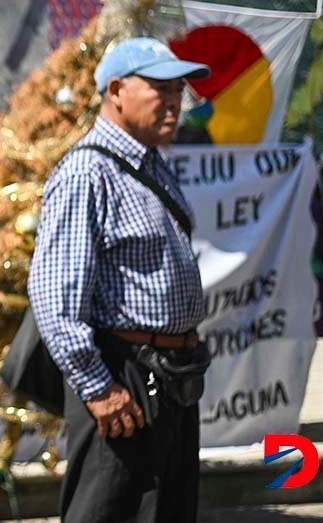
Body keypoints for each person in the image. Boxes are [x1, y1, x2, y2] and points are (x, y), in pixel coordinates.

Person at [28, 37, 211, 522]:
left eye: (179, 88)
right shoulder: (88, 172)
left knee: (167, 511)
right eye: (160, 86)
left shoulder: (150, 165)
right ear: (116, 91)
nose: (174, 100)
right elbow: (55, 297)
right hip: (122, 376)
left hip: (168, 375)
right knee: (108, 512)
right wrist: (99, 389)